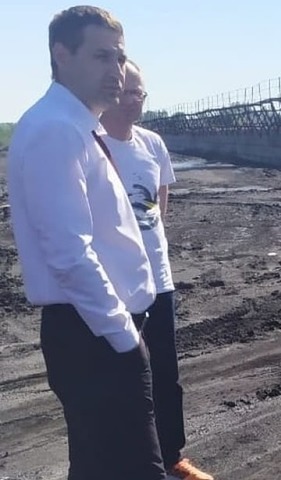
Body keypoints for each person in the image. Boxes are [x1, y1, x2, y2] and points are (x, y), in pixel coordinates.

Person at [7, 6, 166, 479]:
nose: (116, 70)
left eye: (120, 58)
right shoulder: (56, 130)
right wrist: (124, 338)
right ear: (62, 55)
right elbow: (69, 252)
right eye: (101, 57)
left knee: (99, 467)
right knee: (137, 469)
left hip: (96, 330)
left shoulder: (76, 125)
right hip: (94, 335)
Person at [100, 60, 214, 480]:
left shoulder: (152, 144)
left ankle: (171, 458)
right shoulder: (90, 145)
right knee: (119, 381)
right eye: (127, 91)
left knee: (165, 377)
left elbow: (159, 207)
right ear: (110, 92)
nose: (134, 100)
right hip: (114, 287)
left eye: (140, 93)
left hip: (158, 282)